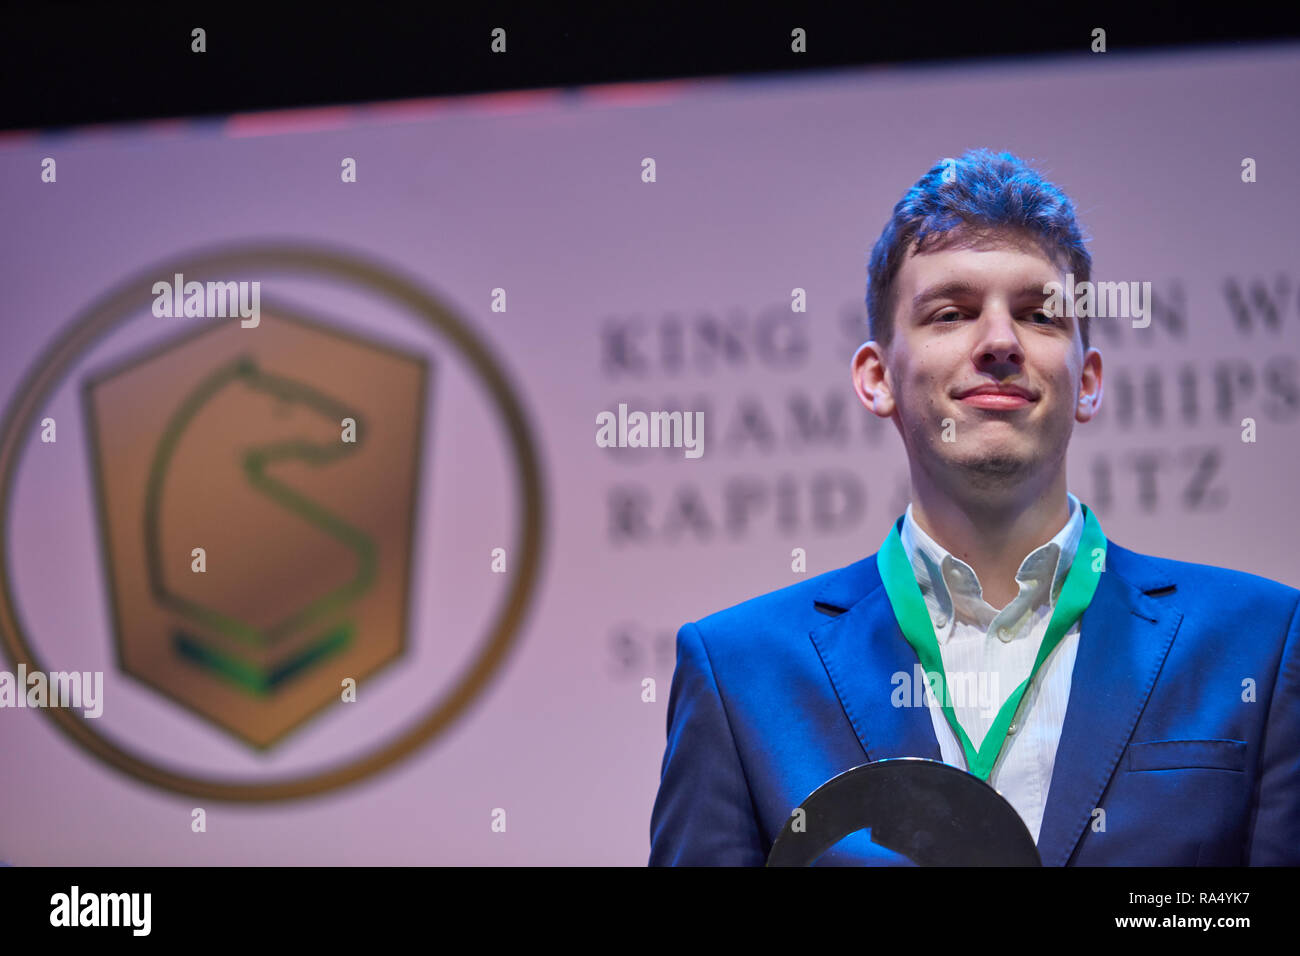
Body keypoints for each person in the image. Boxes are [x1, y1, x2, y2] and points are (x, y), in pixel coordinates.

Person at [648, 149, 1300, 866]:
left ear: (1087, 382)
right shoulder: (741, 672)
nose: (998, 343)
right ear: (877, 379)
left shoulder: (1260, 644)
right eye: (952, 313)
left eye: (1038, 315)